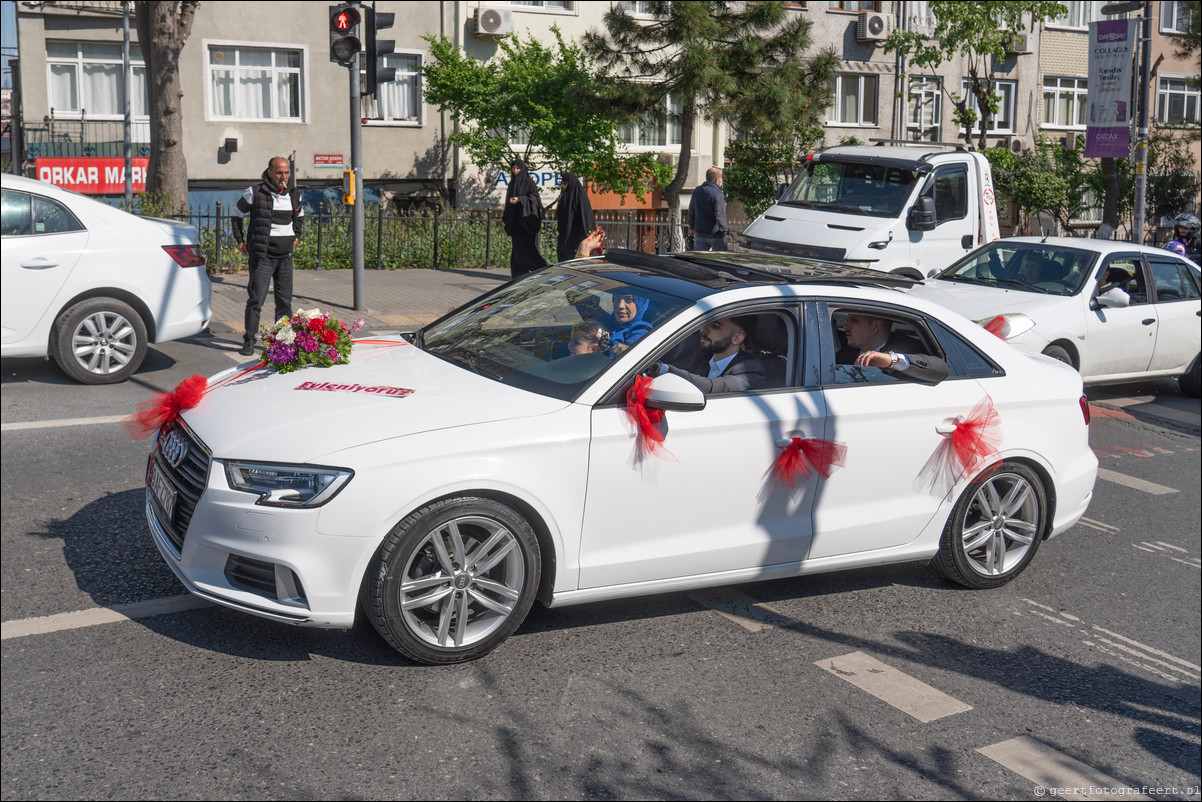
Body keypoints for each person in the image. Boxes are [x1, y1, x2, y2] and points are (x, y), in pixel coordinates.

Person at [231, 156, 304, 356]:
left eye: (287, 172)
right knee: (256, 300)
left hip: (285, 257)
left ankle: (283, 342)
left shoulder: (294, 194)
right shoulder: (255, 192)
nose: (284, 176)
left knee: (284, 303)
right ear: (270, 172)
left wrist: (296, 235)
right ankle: (249, 340)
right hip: (262, 257)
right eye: (280, 172)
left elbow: (300, 216)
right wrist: (240, 241)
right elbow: (236, 215)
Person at [656, 316, 768, 394]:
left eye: (715, 326)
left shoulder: (751, 370)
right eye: (706, 322)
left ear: (737, 338)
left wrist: (663, 369)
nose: (703, 329)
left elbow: (712, 388)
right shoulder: (702, 356)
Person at [838, 312, 949, 383]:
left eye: (854, 320)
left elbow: (941, 370)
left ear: (876, 326)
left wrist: (891, 360)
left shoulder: (907, 347)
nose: (845, 326)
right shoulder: (842, 350)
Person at [502, 160, 547, 279]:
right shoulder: (512, 183)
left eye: (518, 169)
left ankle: (541, 267)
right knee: (517, 249)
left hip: (526, 222)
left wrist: (521, 200)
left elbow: (535, 199)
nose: (515, 171)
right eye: (513, 169)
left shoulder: (529, 182)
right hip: (516, 222)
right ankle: (518, 273)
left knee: (526, 248)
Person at [556, 172, 597, 262]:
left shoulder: (581, 197)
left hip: (576, 239)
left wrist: (589, 232)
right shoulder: (565, 197)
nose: (564, 186)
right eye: (562, 184)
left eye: (565, 184)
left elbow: (586, 216)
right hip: (565, 238)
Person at [688, 167, 729, 252]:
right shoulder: (718, 194)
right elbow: (720, 215)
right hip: (716, 234)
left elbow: (691, 210)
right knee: (720, 260)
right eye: (721, 178)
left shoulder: (697, 191)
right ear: (717, 180)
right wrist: (725, 233)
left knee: (699, 259)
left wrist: (692, 227)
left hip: (700, 233)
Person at [607, 288, 655, 355]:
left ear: (641, 304)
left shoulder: (640, 332)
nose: (620, 305)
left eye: (629, 300)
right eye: (617, 299)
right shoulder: (607, 321)